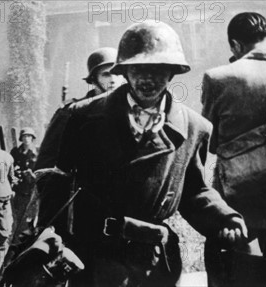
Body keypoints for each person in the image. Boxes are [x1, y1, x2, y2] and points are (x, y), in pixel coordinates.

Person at [36, 20, 248, 286]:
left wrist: (224, 217)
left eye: (159, 70)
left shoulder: (195, 128)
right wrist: (49, 238)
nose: (148, 79)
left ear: (172, 73)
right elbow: (55, 181)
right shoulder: (82, 118)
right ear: (124, 71)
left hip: (155, 260)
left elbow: (193, 191)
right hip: (95, 255)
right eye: (138, 69)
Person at [201, 12, 266, 286]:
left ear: (236, 46)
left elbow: (210, 143)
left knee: (225, 272)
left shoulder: (218, 78)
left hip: (235, 200)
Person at [9, 128, 38, 237]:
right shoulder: (15, 152)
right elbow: (10, 168)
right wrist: (17, 174)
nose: (26, 139)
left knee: (32, 216)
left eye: (29, 136)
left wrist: (32, 174)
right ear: (21, 138)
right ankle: (17, 238)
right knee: (18, 215)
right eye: (24, 136)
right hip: (20, 188)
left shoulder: (37, 151)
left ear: (32, 138)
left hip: (33, 188)